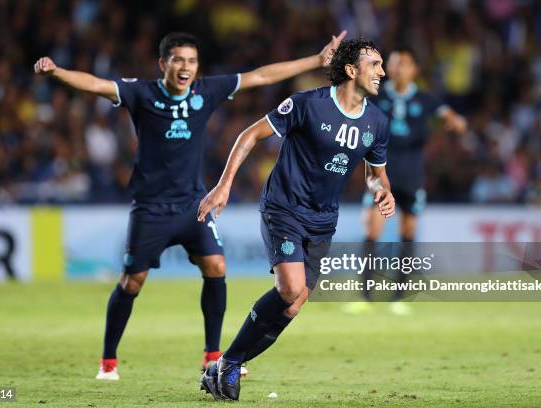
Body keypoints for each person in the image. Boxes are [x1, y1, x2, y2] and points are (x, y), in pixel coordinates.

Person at [33, 30, 346, 380]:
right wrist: (57, 72)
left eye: (192, 61)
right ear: (163, 63)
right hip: (150, 208)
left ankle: (212, 355)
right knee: (131, 282)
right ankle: (108, 361)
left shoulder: (206, 91)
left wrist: (316, 61)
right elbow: (95, 84)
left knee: (216, 266)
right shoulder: (142, 93)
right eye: (178, 60)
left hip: (193, 205)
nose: (186, 67)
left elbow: (260, 75)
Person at [197, 38, 395, 401]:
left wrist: (382, 188)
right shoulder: (308, 105)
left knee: (295, 301)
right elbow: (250, 134)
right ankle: (230, 363)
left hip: (323, 219)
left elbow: (373, 171)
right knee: (289, 287)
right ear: (352, 70)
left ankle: (225, 362)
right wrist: (224, 186)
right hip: (284, 207)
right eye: (375, 64)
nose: (383, 72)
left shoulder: (377, 121)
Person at [346, 46, 467, 316]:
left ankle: (399, 296)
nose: (399, 69)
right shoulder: (374, 95)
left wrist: (457, 124)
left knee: (408, 234)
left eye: (404, 64)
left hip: (412, 175)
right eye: (395, 64)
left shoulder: (426, 100)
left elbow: (452, 119)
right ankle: (364, 295)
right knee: (371, 232)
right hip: (379, 175)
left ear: (414, 70)